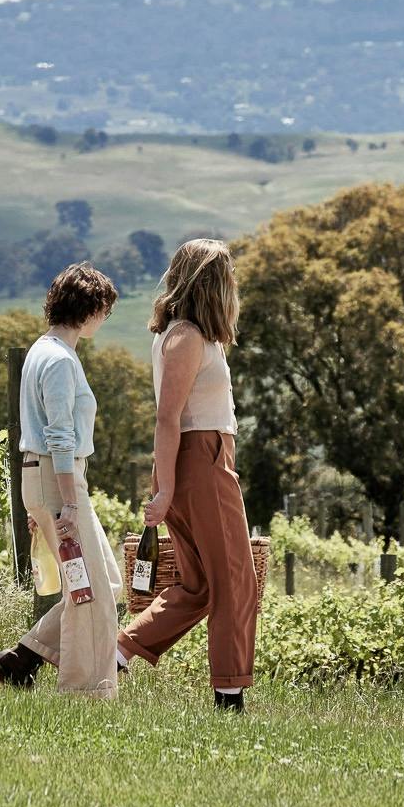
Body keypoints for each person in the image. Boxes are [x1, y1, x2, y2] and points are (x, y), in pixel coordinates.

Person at [117, 239, 257, 711]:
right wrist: (166, 487)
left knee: (199, 585)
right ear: (207, 282)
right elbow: (167, 417)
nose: (233, 281)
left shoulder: (194, 335)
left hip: (206, 458)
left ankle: (118, 651)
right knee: (236, 580)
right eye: (227, 274)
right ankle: (229, 694)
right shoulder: (186, 337)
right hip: (201, 461)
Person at [0, 263, 123, 696]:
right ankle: (84, 690)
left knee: (104, 582)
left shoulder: (41, 350)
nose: (105, 319)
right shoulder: (60, 361)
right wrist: (68, 507)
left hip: (45, 478)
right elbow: (60, 437)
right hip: (59, 477)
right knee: (91, 592)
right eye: (105, 310)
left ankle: (21, 660)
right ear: (90, 308)